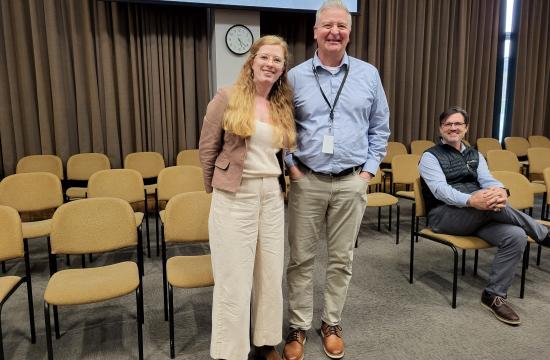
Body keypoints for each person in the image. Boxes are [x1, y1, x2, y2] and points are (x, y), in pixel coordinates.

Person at [283, 1, 390, 359]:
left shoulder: (368, 74)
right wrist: (292, 168)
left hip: (350, 181)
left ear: (349, 31)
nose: (334, 31)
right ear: (314, 31)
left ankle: (331, 322)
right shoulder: (295, 76)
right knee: (300, 259)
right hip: (307, 180)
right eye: (327, 25)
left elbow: (380, 127)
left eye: (341, 26)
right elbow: (283, 129)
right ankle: (297, 326)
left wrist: (368, 172)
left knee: (341, 259)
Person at [199, 35, 296, 360]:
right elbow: (207, 149)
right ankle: (231, 351)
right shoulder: (226, 97)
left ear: (283, 68)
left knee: (270, 273)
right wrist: (218, 191)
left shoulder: (280, 105)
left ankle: (266, 341)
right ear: (252, 61)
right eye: (265, 57)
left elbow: (281, 154)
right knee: (234, 277)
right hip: (234, 195)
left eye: (277, 60)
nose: (270, 64)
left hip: (271, 195)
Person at [418, 106, 550, 326]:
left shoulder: (474, 154)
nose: (453, 128)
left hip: (479, 214)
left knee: (515, 235)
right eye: (448, 124)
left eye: (458, 124)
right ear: (441, 128)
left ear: (466, 128)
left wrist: (500, 191)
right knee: (490, 205)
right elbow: (441, 191)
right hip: (444, 216)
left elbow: (488, 180)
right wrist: (472, 200)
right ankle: (543, 234)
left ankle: (494, 296)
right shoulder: (430, 157)